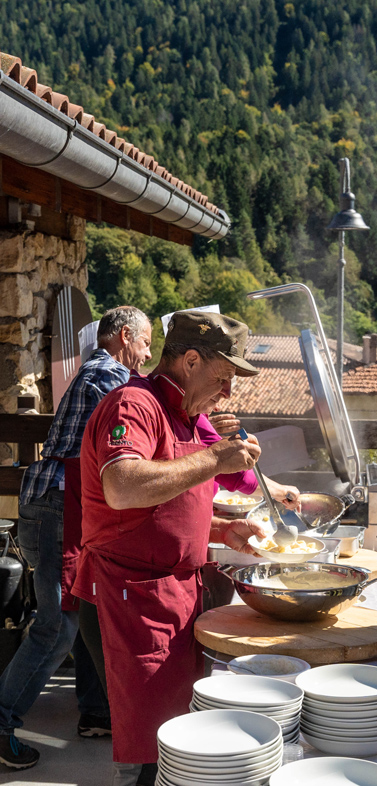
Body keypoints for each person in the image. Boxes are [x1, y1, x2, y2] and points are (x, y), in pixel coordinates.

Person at [71, 311, 300, 786]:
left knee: (177, 741)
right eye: (224, 378)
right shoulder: (132, 404)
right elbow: (124, 487)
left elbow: (166, 502)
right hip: (129, 598)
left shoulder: (187, 416)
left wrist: (217, 530)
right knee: (154, 753)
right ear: (191, 360)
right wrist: (217, 456)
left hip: (169, 593)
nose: (227, 393)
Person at [0, 306, 152, 771]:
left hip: (62, 505)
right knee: (57, 626)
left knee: (86, 607)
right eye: (146, 343)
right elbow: (148, 416)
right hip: (56, 507)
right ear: (125, 336)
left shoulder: (102, 373)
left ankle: (97, 713)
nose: (147, 354)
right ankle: (1, 723)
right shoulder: (106, 375)